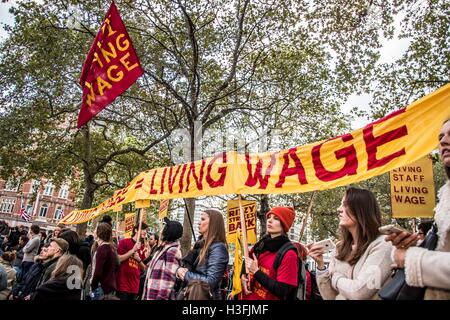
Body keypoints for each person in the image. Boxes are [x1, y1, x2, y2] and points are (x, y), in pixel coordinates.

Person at [386, 119, 450, 299]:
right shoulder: (445, 195)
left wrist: (411, 258)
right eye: (440, 137)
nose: (443, 141)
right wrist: (412, 246)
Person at [308, 187, 393, 300]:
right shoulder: (339, 248)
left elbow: (359, 293)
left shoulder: (383, 244)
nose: (339, 209)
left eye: (345, 205)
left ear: (361, 209)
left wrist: (335, 276)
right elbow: (330, 297)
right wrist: (321, 266)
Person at [241, 207, 299, 300]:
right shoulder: (261, 244)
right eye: (269, 217)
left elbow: (282, 291)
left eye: (276, 218)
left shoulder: (289, 254)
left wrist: (256, 272)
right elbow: (247, 260)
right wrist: (243, 275)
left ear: (284, 225)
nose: (269, 221)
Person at [176, 209, 229, 300]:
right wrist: (179, 270)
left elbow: (211, 281)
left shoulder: (218, 248)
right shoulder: (200, 245)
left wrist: (185, 274)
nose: (199, 223)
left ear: (213, 223)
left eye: (203, 219)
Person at [143, 217, 183, 300]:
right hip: (151, 295)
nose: (161, 230)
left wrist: (161, 298)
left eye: (165, 227)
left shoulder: (172, 250)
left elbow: (169, 280)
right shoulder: (163, 248)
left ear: (169, 232)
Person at [116, 222, 148, 300]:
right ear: (136, 230)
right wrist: (132, 251)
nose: (145, 232)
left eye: (146, 230)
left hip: (134, 286)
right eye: (143, 229)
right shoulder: (124, 242)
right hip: (123, 284)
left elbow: (144, 268)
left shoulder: (143, 247)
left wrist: (138, 260)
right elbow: (118, 259)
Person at [90, 222, 117, 300]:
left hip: (100, 287)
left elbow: (98, 270)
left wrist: (93, 285)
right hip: (106, 286)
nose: (93, 232)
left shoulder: (102, 249)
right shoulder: (109, 248)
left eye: (95, 230)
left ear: (99, 232)